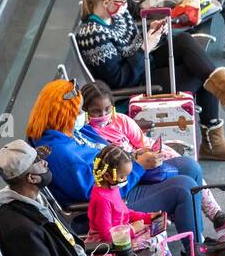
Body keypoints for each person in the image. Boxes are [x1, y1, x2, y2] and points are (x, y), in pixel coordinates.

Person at [0, 137, 192, 256]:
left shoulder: (38, 198)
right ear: (32, 177)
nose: (45, 164)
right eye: (39, 162)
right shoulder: (20, 227)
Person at [76, 0, 225, 162]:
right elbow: (119, 79)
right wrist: (145, 47)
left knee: (185, 42)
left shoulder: (115, 15)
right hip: (135, 82)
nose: (126, 4)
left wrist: (151, 32)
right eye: (122, 0)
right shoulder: (92, 35)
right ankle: (214, 140)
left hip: (143, 65)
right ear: (106, 3)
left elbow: (130, 47)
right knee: (200, 76)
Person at [27, 78, 205, 244]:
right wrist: (138, 167)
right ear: (64, 114)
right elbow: (95, 191)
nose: (83, 115)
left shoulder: (70, 131)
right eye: (79, 111)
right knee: (184, 187)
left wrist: (135, 156)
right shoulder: (62, 154)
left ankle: (198, 240)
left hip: (121, 181)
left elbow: (108, 151)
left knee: (189, 167)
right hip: (110, 205)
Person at [79, 80, 225, 232]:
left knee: (190, 166)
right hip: (125, 182)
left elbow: (143, 143)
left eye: (107, 109)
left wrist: (156, 154)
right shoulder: (87, 134)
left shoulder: (121, 121)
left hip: (143, 168)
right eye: (96, 112)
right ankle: (195, 247)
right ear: (85, 112)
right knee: (183, 185)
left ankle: (216, 218)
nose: (103, 115)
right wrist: (138, 163)